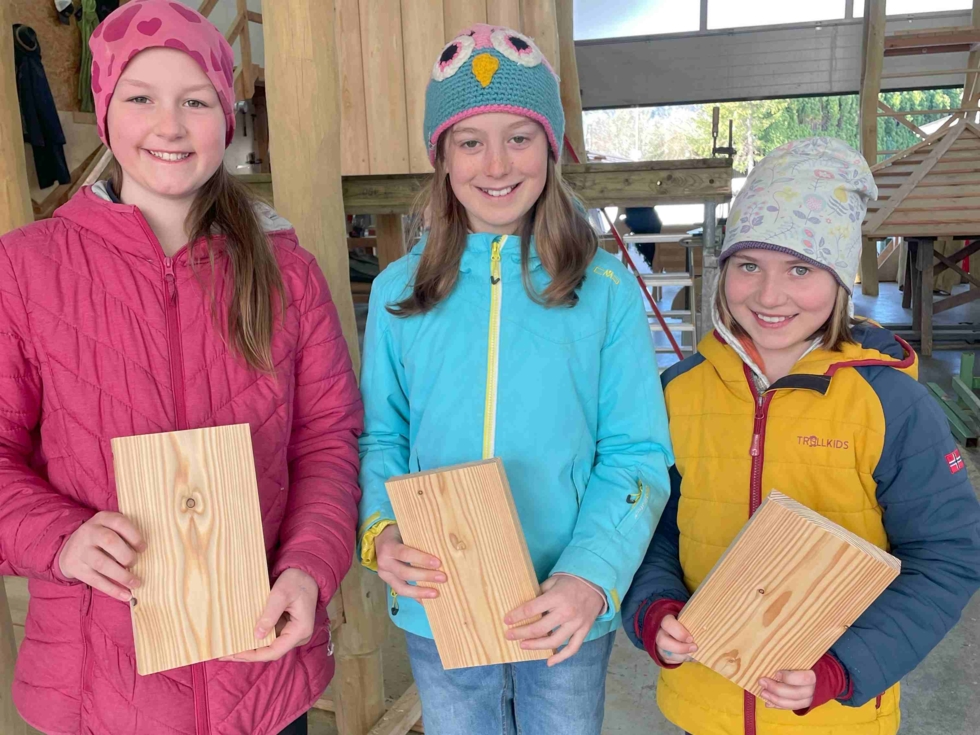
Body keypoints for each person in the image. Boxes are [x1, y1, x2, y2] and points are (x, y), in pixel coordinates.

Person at [0, 2, 362, 733]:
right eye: (140, 98)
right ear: (106, 116)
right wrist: (59, 540)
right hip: (97, 686)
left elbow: (327, 441)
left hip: (258, 672)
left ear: (224, 120)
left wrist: (308, 567)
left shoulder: (287, 270)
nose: (168, 125)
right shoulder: (26, 267)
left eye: (194, 101)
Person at [356, 23, 673, 735]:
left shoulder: (607, 292)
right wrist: (381, 532)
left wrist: (594, 573)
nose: (495, 163)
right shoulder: (399, 292)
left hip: (563, 602)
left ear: (551, 147)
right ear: (442, 156)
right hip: (442, 596)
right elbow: (382, 434)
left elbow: (638, 452)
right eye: (470, 141)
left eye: (519, 137)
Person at [622, 136, 980, 735]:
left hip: (831, 714)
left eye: (800, 268)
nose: (769, 295)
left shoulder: (891, 403)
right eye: (748, 265)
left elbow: (945, 555)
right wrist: (654, 610)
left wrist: (844, 669)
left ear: (839, 279)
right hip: (702, 705)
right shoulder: (678, 392)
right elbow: (647, 526)